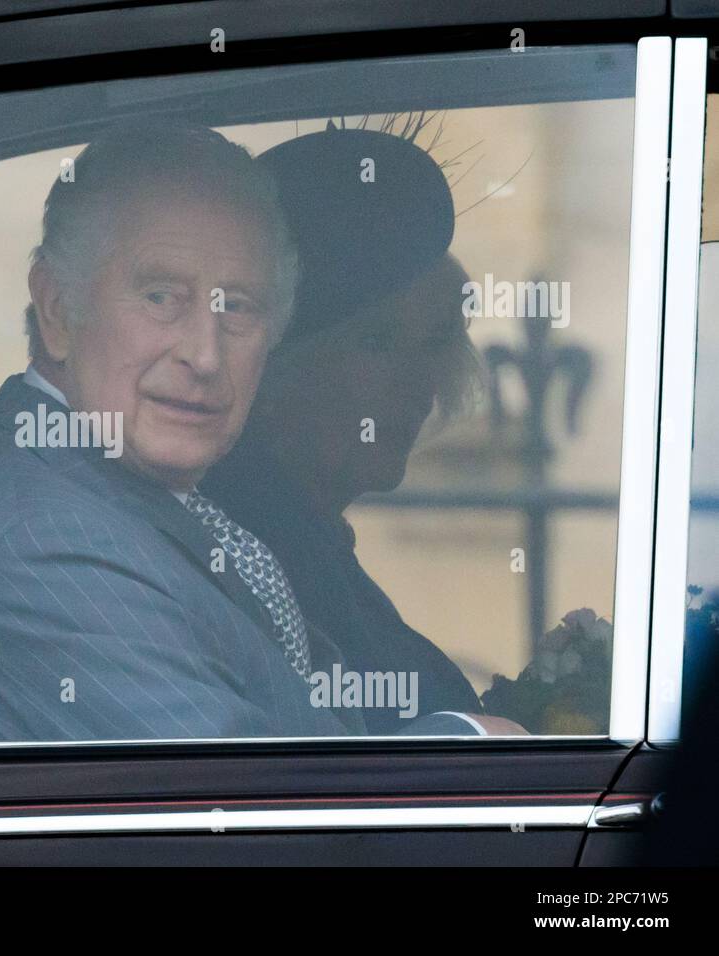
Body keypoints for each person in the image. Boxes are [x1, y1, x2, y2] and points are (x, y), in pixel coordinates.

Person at [0, 121, 355, 741]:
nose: (204, 355)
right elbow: (243, 805)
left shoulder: (114, 497)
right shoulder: (51, 549)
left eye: (239, 307)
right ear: (59, 308)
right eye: (161, 296)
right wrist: (461, 744)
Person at [202, 125, 512, 734]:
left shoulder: (307, 536)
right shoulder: (252, 556)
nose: (419, 383)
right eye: (375, 342)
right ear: (270, 364)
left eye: (436, 340)